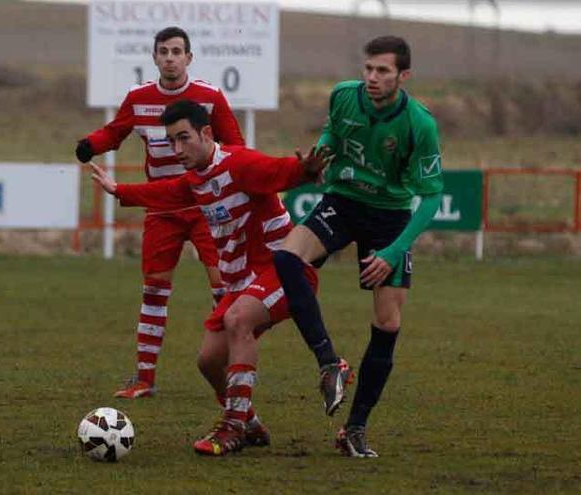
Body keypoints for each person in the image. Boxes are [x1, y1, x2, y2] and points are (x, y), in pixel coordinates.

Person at [90, 100, 329, 456]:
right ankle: (249, 422)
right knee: (208, 361)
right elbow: (166, 192)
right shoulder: (196, 180)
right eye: (171, 141)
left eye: (183, 138)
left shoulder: (239, 163)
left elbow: (278, 171)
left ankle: (232, 426)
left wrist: (305, 170)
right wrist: (118, 190)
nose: (177, 149)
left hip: (282, 270)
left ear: (206, 133)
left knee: (237, 321)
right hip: (242, 282)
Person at [272, 36, 444, 458]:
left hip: (389, 216)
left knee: (387, 322)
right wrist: (320, 157)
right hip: (343, 200)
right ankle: (330, 363)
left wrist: (393, 251)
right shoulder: (343, 95)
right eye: (368, 68)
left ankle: (355, 429)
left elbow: (432, 196)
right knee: (285, 257)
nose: (371, 77)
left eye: (382, 71)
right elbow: (334, 129)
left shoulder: (419, 124)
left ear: (403, 76)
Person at [75, 26, 246, 399]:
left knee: (224, 288)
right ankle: (144, 379)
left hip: (207, 206)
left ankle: (232, 369)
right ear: (154, 57)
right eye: (163, 51)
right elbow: (114, 132)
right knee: (154, 289)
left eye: (177, 51)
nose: (170, 57)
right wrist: (90, 144)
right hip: (162, 208)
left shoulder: (210, 98)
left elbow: (236, 146)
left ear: (189, 58)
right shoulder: (139, 99)